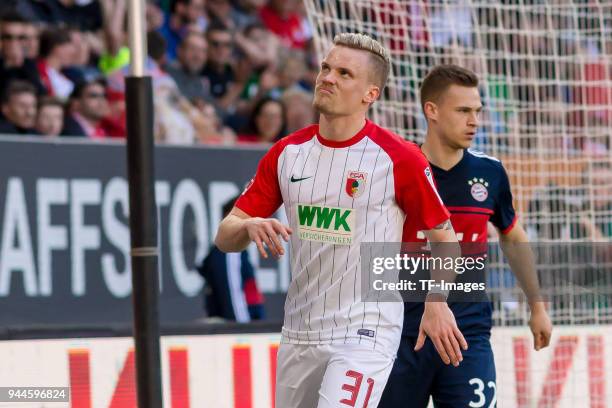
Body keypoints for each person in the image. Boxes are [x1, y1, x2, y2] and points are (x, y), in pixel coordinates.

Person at [215, 33, 466, 407]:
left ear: (370, 94)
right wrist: (249, 226)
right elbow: (224, 236)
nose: (328, 78)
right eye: (326, 68)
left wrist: (437, 300)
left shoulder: (399, 158)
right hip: (299, 331)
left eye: (344, 73)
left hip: (366, 328)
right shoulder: (287, 153)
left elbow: (446, 238)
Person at [380, 64, 553, 408]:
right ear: (432, 111)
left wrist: (537, 305)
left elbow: (512, 236)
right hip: (398, 337)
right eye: (463, 111)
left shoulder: (490, 172)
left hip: (466, 336)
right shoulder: (395, 171)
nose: (475, 121)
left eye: (477, 111)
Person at [198, 195, 265, 322]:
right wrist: (248, 331)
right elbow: (234, 300)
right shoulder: (230, 253)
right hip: (242, 333)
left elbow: (249, 294)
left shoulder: (239, 252)